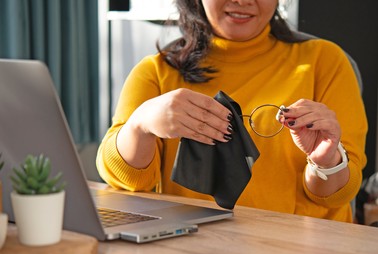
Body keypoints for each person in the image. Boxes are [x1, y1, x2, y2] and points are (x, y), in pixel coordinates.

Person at [96, 0, 367, 223]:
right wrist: (139, 125)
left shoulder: (326, 62)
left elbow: (337, 195)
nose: (243, 1)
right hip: (194, 247)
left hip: (301, 251)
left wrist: (326, 162)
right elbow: (125, 182)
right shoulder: (155, 72)